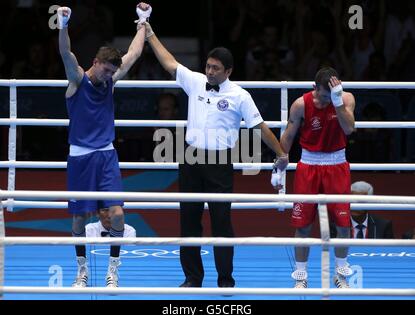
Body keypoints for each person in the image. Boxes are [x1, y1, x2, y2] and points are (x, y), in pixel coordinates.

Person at [144, 22, 289, 288]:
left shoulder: (240, 96)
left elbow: (260, 127)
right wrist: (149, 32)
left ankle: (225, 279)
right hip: (190, 158)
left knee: (221, 222)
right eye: (208, 66)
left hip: (220, 162)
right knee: (188, 220)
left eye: (215, 68)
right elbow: (169, 62)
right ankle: (192, 278)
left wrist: (281, 152)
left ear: (228, 71)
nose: (209, 72)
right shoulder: (196, 81)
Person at [57, 3, 151, 288]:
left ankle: (113, 271)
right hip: (80, 157)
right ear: (96, 62)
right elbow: (65, 53)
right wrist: (63, 25)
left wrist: (142, 22)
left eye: (113, 72)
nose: (109, 76)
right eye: (106, 70)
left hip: (107, 155)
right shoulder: (77, 80)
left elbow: (133, 54)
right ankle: (81, 272)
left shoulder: (110, 81)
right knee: (78, 220)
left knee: (119, 214)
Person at [280, 67, 356, 289]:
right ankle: (301, 277)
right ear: (314, 88)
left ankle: (341, 276)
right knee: (303, 225)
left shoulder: (346, 99)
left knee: (342, 224)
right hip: (309, 165)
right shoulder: (301, 104)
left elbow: (349, 128)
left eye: (328, 96)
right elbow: (288, 136)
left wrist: (337, 100)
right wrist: (279, 166)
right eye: (323, 96)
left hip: (337, 165)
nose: (325, 102)